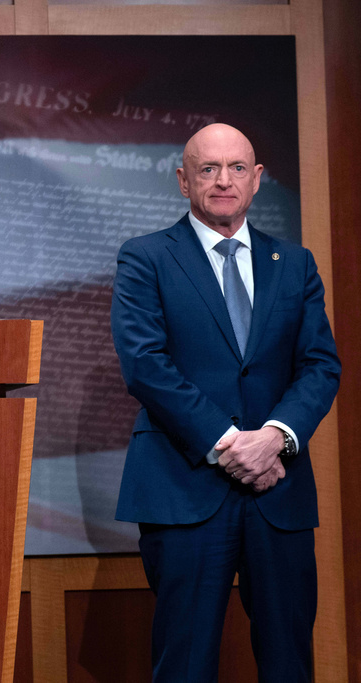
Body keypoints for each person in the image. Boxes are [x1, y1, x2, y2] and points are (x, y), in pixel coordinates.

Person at [110, 123, 340, 682]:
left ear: (257, 179)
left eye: (237, 168)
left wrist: (275, 437)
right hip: (184, 489)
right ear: (183, 180)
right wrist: (231, 443)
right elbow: (145, 364)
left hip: (277, 493)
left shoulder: (296, 263)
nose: (222, 181)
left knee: (289, 662)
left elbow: (320, 365)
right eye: (207, 169)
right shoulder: (145, 258)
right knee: (184, 664)